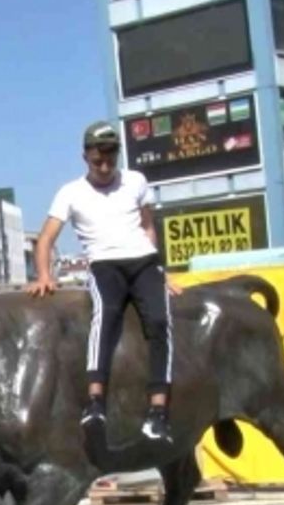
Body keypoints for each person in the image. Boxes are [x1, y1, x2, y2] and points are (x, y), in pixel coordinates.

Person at [26, 120, 176, 444]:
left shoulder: (136, 180)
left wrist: (160, 271)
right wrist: (44, 275)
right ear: (86, 158)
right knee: (106, 314)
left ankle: (158, 412)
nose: (105, 167)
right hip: (105, 265)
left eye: (110, 159)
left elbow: (148, 227)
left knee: (159, 321)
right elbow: (46, 238)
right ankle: (95, 401)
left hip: (144, 262)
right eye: (98, 161)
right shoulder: (70, 192)